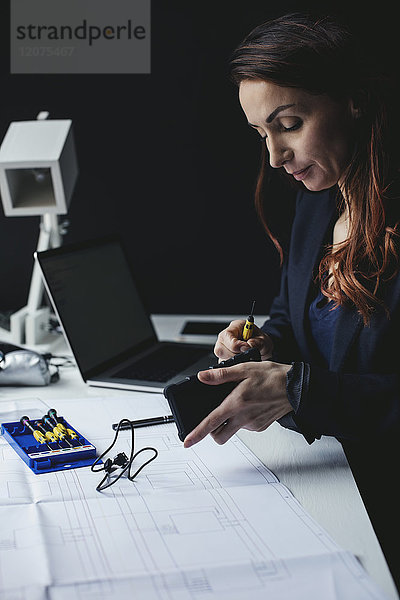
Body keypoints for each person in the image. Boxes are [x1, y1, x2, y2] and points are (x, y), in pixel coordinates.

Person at [183, 12, 400, 588]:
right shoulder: (318, 196)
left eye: (290, 124)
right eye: (262, 135)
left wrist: (298, 389)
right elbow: (293, 314)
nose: (276, 157)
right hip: (332, 477)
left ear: (353, 100)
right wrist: (265, 341)